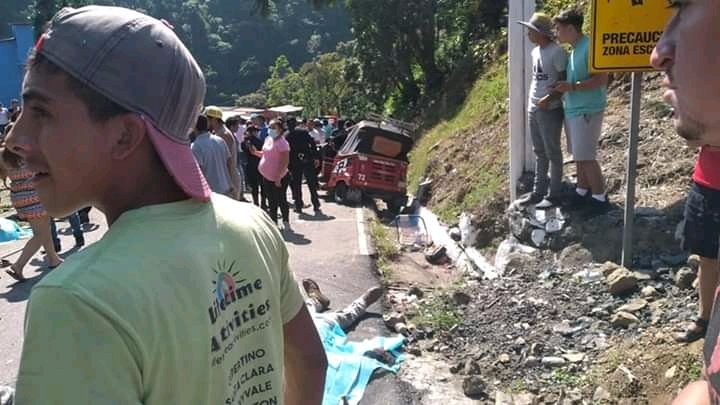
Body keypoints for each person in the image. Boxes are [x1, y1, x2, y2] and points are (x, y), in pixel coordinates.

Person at [8, 6, 326, 403]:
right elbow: (310, 361)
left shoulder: (78, 301)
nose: (14, 139)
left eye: (40, 112)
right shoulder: (253, 226)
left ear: (125, 136)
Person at [651, 1, 720, 403]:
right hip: (705, 182)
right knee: (706, 255)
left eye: (683, 4)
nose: (658, 54)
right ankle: (703, 317)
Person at [552, 9, 610, 215]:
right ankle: (582, 190)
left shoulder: (589, 47)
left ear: (570, 28)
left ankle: (599, 198)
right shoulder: (575, 49)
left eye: (558, 29)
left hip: (588, 109)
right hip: (575, 109)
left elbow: (602, 79)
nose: (556, 33)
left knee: (586, 156)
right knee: (579, 155)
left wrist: (572, 87)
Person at [515, 13, 568, 209]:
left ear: (540, 33)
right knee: (539, 151)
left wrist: (550, 98)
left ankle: (554, 194)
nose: (528, 34)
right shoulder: (535, 52)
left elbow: (563, 80)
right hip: (534, 106)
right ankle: (538, 192)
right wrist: (535, 102)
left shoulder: (557, 52)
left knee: (553, 151)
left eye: (531, 31)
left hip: (550, 108)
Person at [1, 131, 63, 281]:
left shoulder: (4, 155)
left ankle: (53, 259)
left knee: (43, 229)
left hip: (19, 197)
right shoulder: (29, 152)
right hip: (35, 195)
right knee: (40, 234)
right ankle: (18, 266)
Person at [257, 118, 291, 229]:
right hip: (266, 176)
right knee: (271, 200)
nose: (270, 129)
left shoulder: (283, 143)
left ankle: (286, 222)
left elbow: (285, 161)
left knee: (281, 199)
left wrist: (278, 177)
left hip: (278, 177)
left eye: (273, 127)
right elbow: (265, 154)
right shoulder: (268, 139)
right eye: (270, 127)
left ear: (280, 129)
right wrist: (255, 152)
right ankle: (274, 222)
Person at [191, 115, 234, 196]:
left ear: (194, 127)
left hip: (211, 191)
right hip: (225, 187)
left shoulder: (196, 146)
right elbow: (229, 161)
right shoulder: (219, 140)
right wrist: (230, 181)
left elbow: (198, 171)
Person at [286, 117, 322, 214]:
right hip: (307, 159)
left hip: (294, 162)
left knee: (297, 184)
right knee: (311, 182)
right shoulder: (303, 132)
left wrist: (287, 164)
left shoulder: (287, 136)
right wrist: (316, 157)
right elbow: (312, 143)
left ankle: (298, 206)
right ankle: (316, 204)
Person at [205, 106, 241, 199]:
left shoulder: (224, 135)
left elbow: (227, 161)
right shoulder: (216, 132)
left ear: (214, 120)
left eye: (207, 119)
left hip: (228, 178)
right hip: (223, 177)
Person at [242, 125, 267, 208]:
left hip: (250, 166)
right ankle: (263, 204)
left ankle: (256, 203)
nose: (257, 132)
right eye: (256, 131)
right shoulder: (259, 141)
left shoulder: (244, 142)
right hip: (259, 165)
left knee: (254, 187)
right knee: (263, 186)